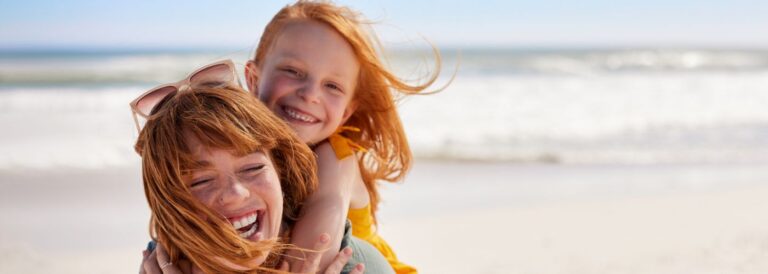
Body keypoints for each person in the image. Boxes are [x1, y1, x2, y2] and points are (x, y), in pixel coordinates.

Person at [131, 60, 391, 273]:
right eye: (201, 181)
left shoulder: (351, 265)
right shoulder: (159, 265)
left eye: (252, 168)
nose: (236, 193)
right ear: (168, 203)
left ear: (279, 170)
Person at [245, 1, 444, 273]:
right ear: (253, 78)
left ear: (347, 113)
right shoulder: (234, 147)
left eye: (333, 86)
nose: (311, 94)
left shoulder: (335, 157)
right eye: (293, 71)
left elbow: (309, 259)